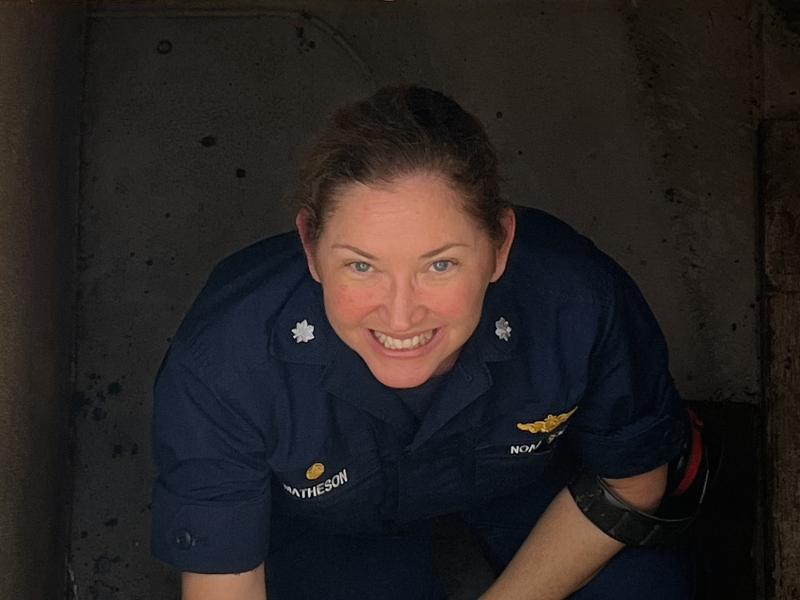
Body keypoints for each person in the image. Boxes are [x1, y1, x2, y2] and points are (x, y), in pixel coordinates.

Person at [151, 85, 694, 599]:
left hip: (531, 503)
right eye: (361, 265)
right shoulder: (227, 357)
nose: (401, 312)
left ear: (500, 247)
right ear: (311, 251)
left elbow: (630, 484)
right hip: (334, 541)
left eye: (440, 263)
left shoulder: (576, 300)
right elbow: (223, 584)